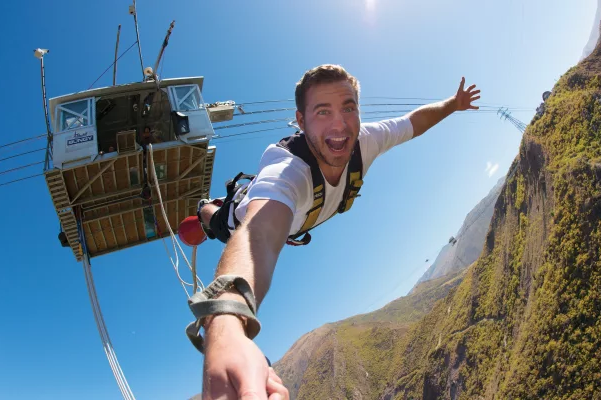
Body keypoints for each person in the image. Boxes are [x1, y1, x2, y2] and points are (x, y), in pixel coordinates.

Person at [188, 64, 480, 400]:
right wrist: (226, 324)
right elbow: (259, 237)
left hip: (295, 220)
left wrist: (452, 104)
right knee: (220, 222)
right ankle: (205, 207)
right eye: (322, 111)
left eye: (348, 108)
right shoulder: (286, 171)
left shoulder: (367, 140)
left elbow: (414, 122)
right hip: (247, 217)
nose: (339, 123)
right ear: (301, 121)